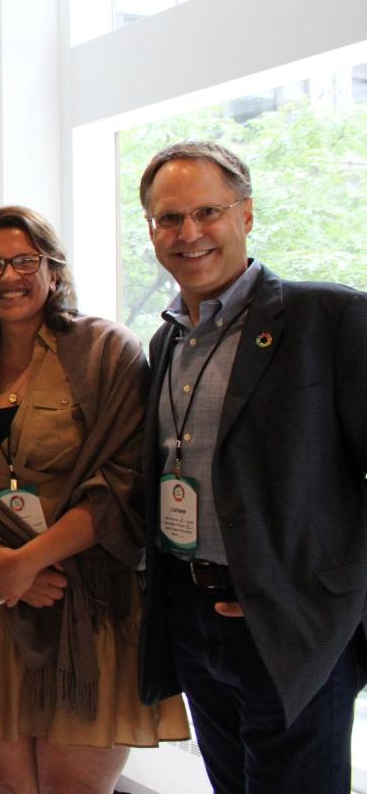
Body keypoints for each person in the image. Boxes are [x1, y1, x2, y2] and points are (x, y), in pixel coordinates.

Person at [0, 205, 187, 794]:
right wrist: (3, 567)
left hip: (88, 605)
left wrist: (31, 561)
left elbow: (124, 481)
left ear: (53, 270)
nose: (8, 277)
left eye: (24, 261)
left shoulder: (106, 352)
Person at [134, 141, 367, 793]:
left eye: (207, 211)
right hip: (194, 619)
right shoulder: (168, 339)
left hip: (290, 626)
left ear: (247, 215)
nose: (190, 233)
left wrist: (339, 597)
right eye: (168, 219)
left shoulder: (330, 317)